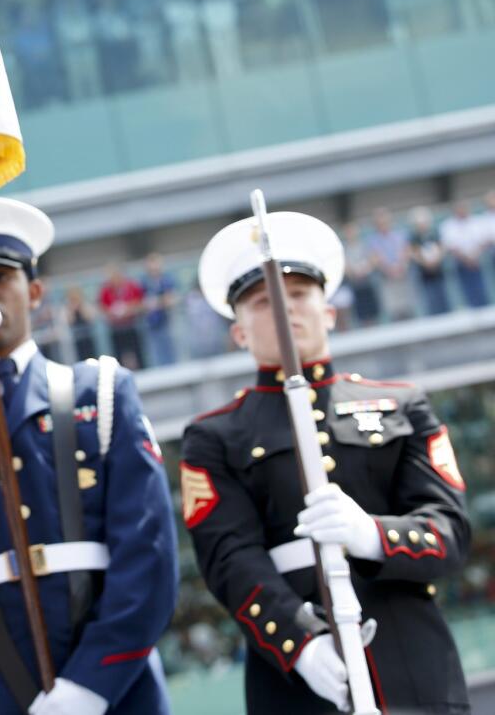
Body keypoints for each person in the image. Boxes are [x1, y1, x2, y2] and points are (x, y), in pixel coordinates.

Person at [180, 212, 470, 713]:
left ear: (329, 312)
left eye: (298, 295)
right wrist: (301, 642)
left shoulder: (401, 406)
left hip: (412, 662)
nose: (283, 310)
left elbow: (449, 530)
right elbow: (229, 559)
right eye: (263, 301)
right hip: (295, 678)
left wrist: (374, 535)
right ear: (239, 333)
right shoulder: (215, 436)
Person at [0, 197, 178, 714]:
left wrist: (89, 686)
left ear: (35, 292)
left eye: (0, 277)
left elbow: (147, 550)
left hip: (109, 678)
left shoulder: (100, 392)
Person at [440, 200, 489, 308]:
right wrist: (466, 258)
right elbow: (451, 245)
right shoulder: (449, 225)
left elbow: (485, 241)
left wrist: (475, 256)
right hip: (461, 262)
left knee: (482, 288)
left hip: (478, 260)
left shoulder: (476, 221)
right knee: (467, 289)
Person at [98, 265, 143, 370]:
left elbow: (139, 303)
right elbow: (102, 308)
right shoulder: (106, 290)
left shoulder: (131, 286)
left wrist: (128, 309)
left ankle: (141, 369)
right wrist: (112, 313)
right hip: (116, 328)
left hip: (131, 325)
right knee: (118, 354)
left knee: (137, 351)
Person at [408, 206, 450, 316]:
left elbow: (442, 248)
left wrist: (436, 261)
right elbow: (414, 253)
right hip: (425, 274)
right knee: (430, 300)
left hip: (438, 270)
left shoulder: (434, 234)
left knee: (443, 297)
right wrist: (426, 263)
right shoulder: (414, 237)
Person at [139, 253, 178, 367]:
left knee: (172, 351)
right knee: (156, 355)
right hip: (151, 324)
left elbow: (171, 299)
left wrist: (158, 302)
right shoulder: (144, 282)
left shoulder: (168, 279)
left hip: (168, 321)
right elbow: (141, 303)